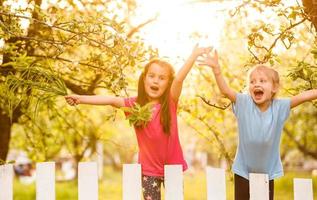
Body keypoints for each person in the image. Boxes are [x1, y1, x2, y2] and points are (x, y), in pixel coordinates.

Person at [65, 45, 211, 200]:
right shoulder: (135, 106)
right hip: (148, 172)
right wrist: (80, 98)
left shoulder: (170, 102)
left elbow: (180, 79)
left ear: (168, 83)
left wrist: (193, 55)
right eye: (152, 76)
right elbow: (111, 100)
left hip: (172, 169)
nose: (156, 81)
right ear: (144, 78)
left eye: (162, 78)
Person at [197, 49, 317, 200]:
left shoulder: (279, 107)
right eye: (252, 81)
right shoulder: (244, 103)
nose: (256, 84)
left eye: (262, 81)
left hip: (267, 171)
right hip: (243, 171)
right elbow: (226, 91)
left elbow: (303, 96)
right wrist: (217, 70)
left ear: (274, 88)